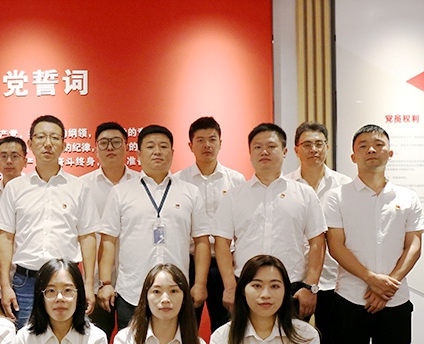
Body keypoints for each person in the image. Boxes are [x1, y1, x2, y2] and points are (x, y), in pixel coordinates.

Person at [325, 124, 424, 344]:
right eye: (364, 145)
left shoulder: (407, 197)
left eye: (378, 144)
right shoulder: (338, 196)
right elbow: (336, 246)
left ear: (390, 152)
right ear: (353, 155)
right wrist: (371, 279)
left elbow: (414, 244)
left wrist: (390, 284)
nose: (372, 150)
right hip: (350, 298)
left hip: (395, 302)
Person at [99, 125, 210, 330]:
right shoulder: (121, 192)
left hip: (177, 292)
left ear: (172, 153)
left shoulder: (190, 192)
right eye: (150, 146)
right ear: (139, 154)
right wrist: (105, 283)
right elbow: (108, 241)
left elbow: (202, 240)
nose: (157, 151)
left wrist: (200, 284)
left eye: (163, 146)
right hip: (132, 292)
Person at [0, 115, 100, 329]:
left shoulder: (79, 188)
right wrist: (5, 285)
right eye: (41, 137)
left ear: (64, 145)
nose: (48, 143)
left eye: (54, 137)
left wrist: (88, 284)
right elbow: (5, 238)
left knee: (68, 338)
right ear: (31, 143)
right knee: (24, 341)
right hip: (25, 282)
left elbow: (87, 237)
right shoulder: (15, 188)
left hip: (68, 281)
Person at [213, 123, 327, 320]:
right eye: (257, 147)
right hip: (246, 286)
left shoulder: (304, 193)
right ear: (250, 153)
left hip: (292, 287)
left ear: (284, 151)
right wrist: (230, 286)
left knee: (290, 340)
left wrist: (311, 286)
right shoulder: (234, 196)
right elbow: (222, 242)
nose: (264, 152)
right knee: (245, 339)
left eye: (271, 146)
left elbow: (317, 240)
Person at [284, 122, 351, 344]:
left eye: (319, 143)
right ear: (296, 149)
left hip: (335, 280)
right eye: (307, 144)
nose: (314, 149)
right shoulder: (284, 185)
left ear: (327, 147)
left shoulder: (344, 186)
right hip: (294, 280)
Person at [176, 116, 245, 331]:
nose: (207, 145)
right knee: (186, 327)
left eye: (212, 139)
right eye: (200, 140)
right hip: (190, 262)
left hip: (226, 264)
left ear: (220, 143)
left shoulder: (236, 181)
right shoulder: (178, 181)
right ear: (190, 145)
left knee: (226, 327)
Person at [81, 122, 137, 337]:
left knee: (132, 340)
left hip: (133, 281)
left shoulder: (141, 183)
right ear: (95, 148)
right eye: (104, 143)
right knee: (94, 339)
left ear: (127, 146)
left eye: (116, 142)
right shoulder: (83, 186)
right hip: (95, 281)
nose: (110, 148)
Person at [0, 136, 28, 301]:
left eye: (15, 156)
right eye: (3, 156)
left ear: (25, 161)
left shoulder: (34, 194)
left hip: (27, 275)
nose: (9, 161)